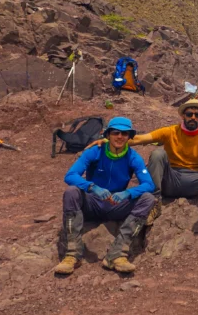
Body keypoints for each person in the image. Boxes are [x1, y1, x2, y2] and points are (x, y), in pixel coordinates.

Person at [123, 99, 198, 250]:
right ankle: (154, 202)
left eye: (197, 114)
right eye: (189, 113)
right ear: (183, 116)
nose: (193, 117)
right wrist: (112, 141)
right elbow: (141, 138)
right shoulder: (170, 131)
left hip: (194, 180)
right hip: (170, 178)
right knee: (158, 153)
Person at [54, 117, 156, 275]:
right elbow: (70, 175)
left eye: (125, 133)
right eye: (116, 132)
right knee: (71, 192)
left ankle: (117, 255)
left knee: (148, 198)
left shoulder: (133, 156)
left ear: (129, 136)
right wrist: (92, 187)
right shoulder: (94, 151)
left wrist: (128, 193)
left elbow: (148, 184)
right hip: (92, 202)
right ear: (108, 135)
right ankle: (72, 255)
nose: (120, 137)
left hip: (116, 204)